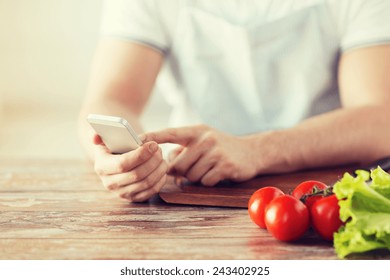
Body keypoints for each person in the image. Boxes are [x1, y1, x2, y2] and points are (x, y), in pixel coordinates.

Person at [78, 0, 390, 202]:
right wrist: (111, 156)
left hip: (324, 191)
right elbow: (110, 98)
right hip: (193, 189)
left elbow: (379, 119)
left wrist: (256, 150)